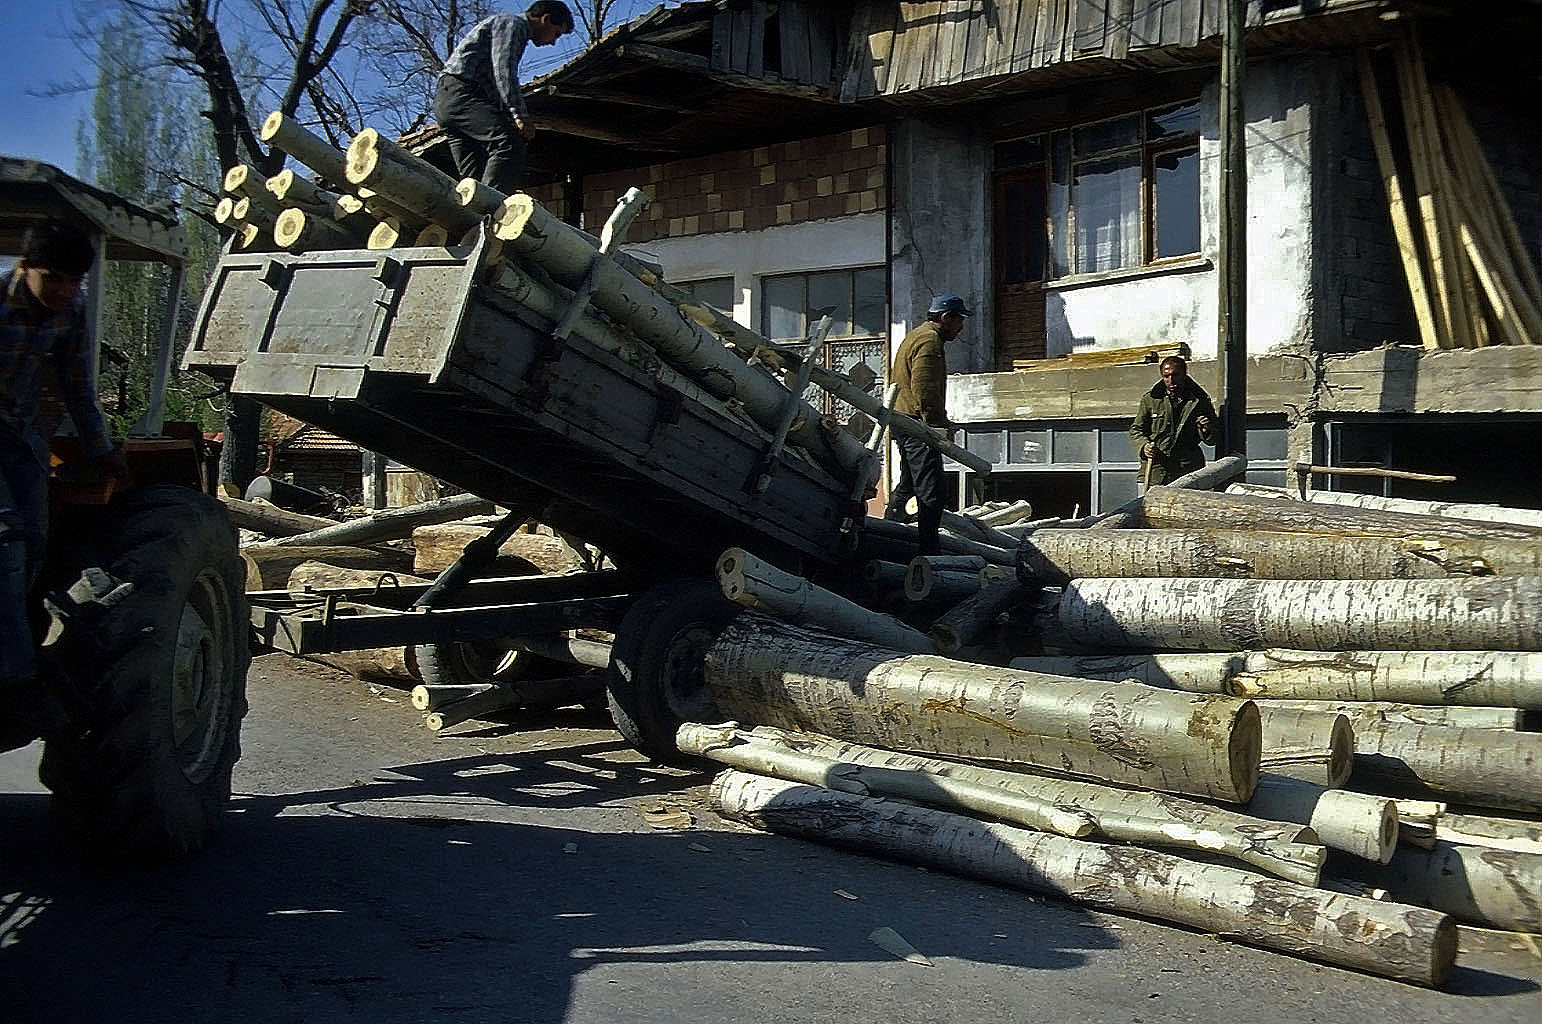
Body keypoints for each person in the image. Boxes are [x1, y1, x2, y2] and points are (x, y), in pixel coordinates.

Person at [1, 219, 122, 698]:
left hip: (18, 431)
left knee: (34, 538)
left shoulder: (68, 313)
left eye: (74, 282)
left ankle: (18, 641)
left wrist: (101, 449)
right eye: (53, 278)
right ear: (26, 268)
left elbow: (76, 386)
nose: (64, 290)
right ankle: (16, 676)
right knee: (5, 535)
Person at [434, 2, 575, 195]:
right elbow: (504, 71)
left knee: (473, 179)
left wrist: (503, 112)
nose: (553, 42)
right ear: (546, 19)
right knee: (510, 144)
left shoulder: (507, 27)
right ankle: (489, 213)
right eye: (556, 34)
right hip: (462, 94)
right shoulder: (513, 24)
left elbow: (492, 80)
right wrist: (520, 115)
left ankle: (470, 219)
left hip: (446, 100)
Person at [884, 293, 971, 555]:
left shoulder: (916, 335)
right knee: (931, 490)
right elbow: (925, 389)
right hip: (916, 425)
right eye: (959, 320)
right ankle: (929, 555)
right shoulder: (929, 341)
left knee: (909, 484)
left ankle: (888, 534)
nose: (961, 327)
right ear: (946, 318)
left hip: (905, 421)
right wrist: (938, 428)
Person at [1129, 354, 1218, 486]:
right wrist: (1144, 446)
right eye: (1166, 376)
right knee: (1149, 506)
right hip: (1157, 470)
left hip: (1188, 471)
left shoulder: (1200, 400)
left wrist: (1206, 429)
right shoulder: (1151, 399)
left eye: (1175, 375)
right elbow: (1136, 430)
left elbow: (1215, 437)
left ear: (1184, 374)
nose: (1171, 380)